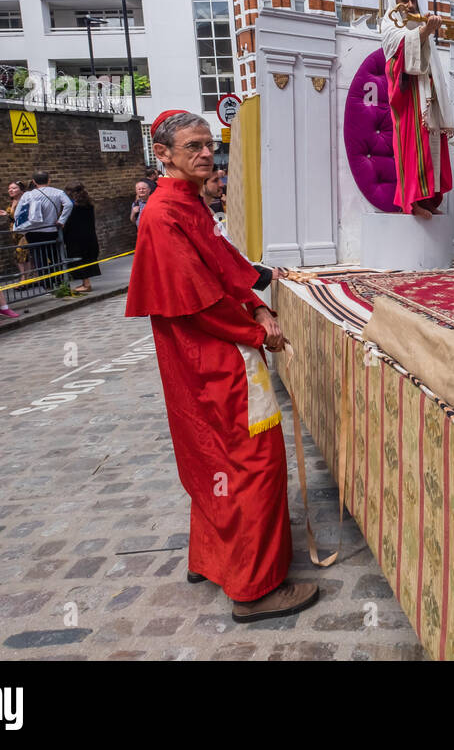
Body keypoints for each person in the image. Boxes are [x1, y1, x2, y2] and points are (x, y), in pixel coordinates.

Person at [126, 108, 317, 623]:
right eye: (194, 146)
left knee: (213, 461)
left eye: (210, 144)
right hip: (213, 360)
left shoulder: (186, 202)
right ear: (162, 154)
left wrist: (256, 298)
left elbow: (223, 266)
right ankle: (254, 588)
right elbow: (198, 302)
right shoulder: (167, 213)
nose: (207, 153)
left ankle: (213, 560)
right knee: (252, 463)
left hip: (203, 357)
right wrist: (256, 330)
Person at [381, 0, 454, 218]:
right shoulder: (390, 26)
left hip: (427, 95)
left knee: (432, 144)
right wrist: (424, 32)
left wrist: (424, 30)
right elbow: (398, 58)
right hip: (410, 98)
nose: (410, 5)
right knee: (413, 146)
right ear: (395, 3)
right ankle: (411, 201)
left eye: (413, 0)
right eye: (404, 1)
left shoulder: (418, 23)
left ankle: (430, 198)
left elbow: (430, 63)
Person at [14, 171, 73, 276]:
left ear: (34, 181)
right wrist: (61, 220)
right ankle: (60, 281)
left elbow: (17, 214)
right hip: (51, 230)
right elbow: (69, 204)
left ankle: (47, 285)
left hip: (33, 232)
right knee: (55, 256)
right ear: (49, 180)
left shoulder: (28, 195)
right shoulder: (58, 192)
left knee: (39, 258)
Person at [62, 182, 102, 294]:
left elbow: (69, 224)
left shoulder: (72, 207)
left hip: (76, 239)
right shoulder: (88, 204)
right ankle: (85, 283)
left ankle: (86, 284)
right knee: (87, 259)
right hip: (89, 237)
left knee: (79, 261)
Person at [0, 181, 33, 277]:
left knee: (21, 252)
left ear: (21, 190)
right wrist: (6, 214)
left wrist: (9, 215)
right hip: (14, 232)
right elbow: (12, 217)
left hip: (24, 232)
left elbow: (24, 217)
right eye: (9, 188)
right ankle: (27, 275)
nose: (10, 190)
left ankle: (25, 277)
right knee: (22, 255)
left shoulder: (25, 201)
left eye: (14, 188)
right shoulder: (12, 201)